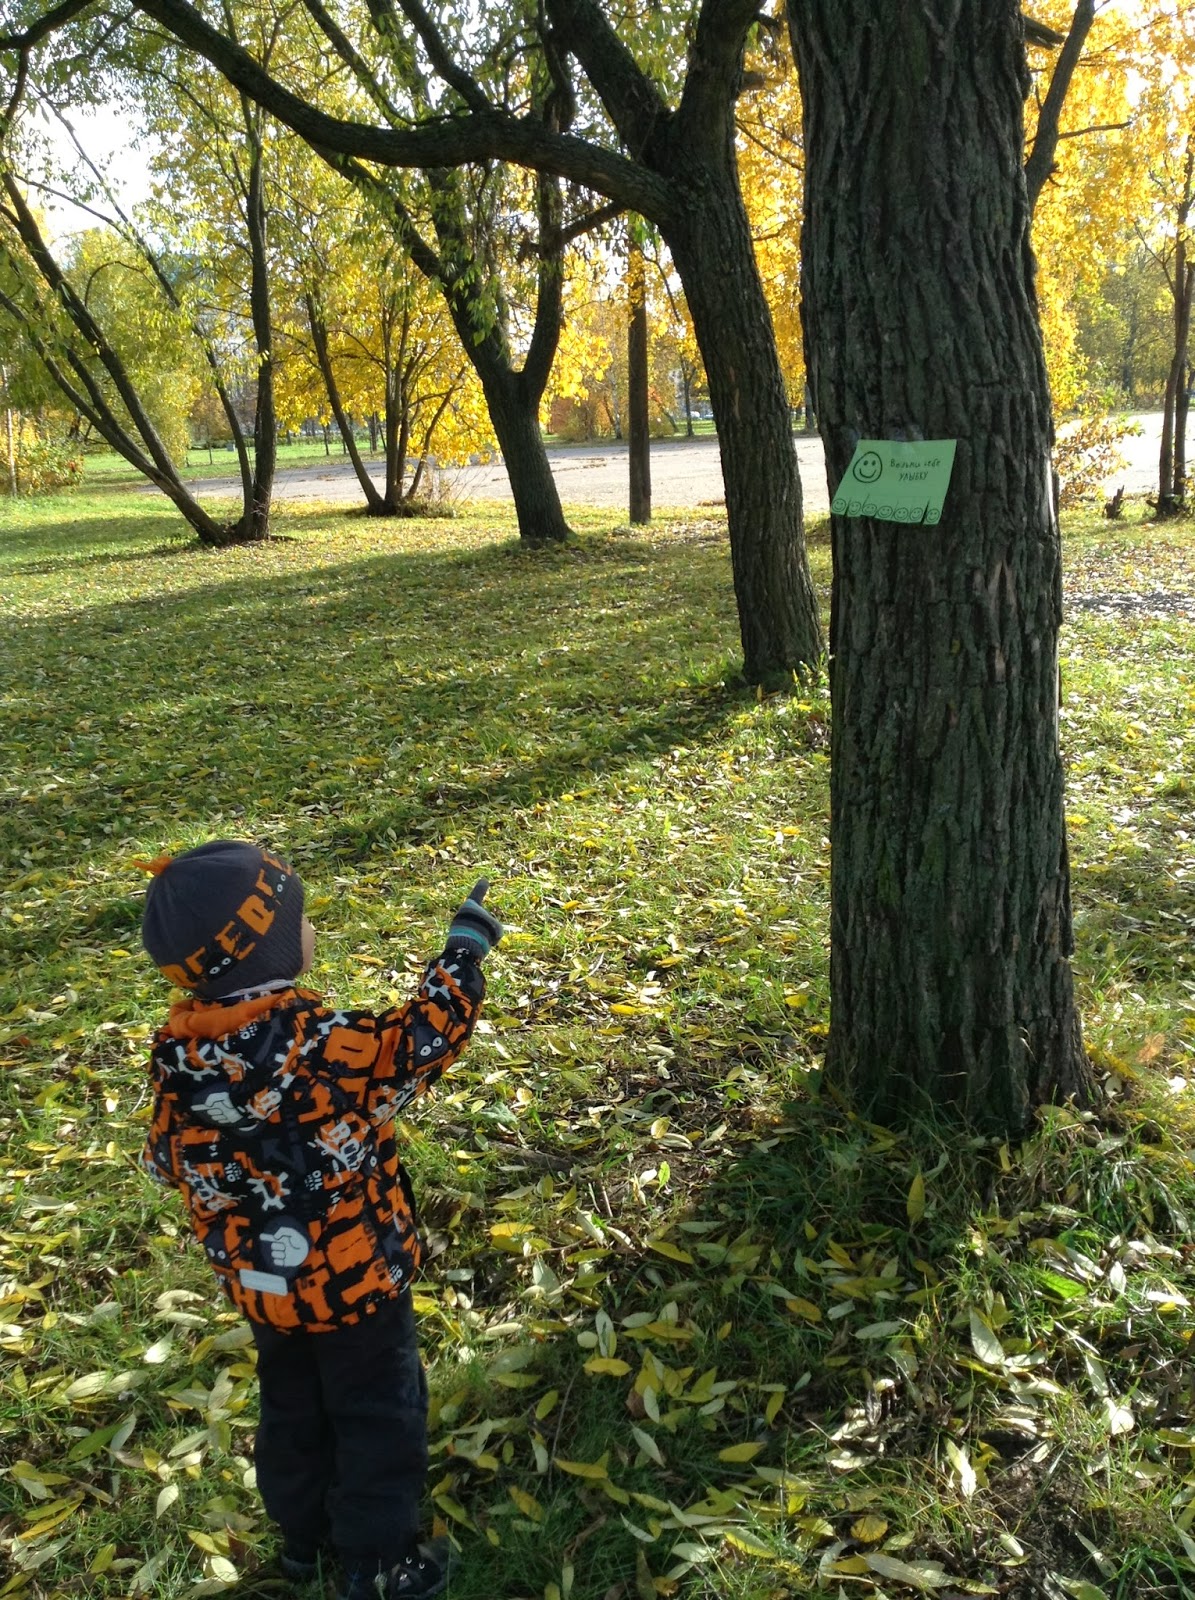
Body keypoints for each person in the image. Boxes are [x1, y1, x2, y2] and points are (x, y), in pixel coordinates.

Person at [135, 840, 501, 1599]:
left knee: (292, 1407)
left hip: (262, 1288)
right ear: (267, 947)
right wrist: (463, 950)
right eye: (298, 919)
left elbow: (165, 1162)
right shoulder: (327, 1045)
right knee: (378, 1412)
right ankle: (377, 1561)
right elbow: (426, 1035)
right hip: (356, 1282)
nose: (309, 929)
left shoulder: (177, 1057)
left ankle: (302, 1540)